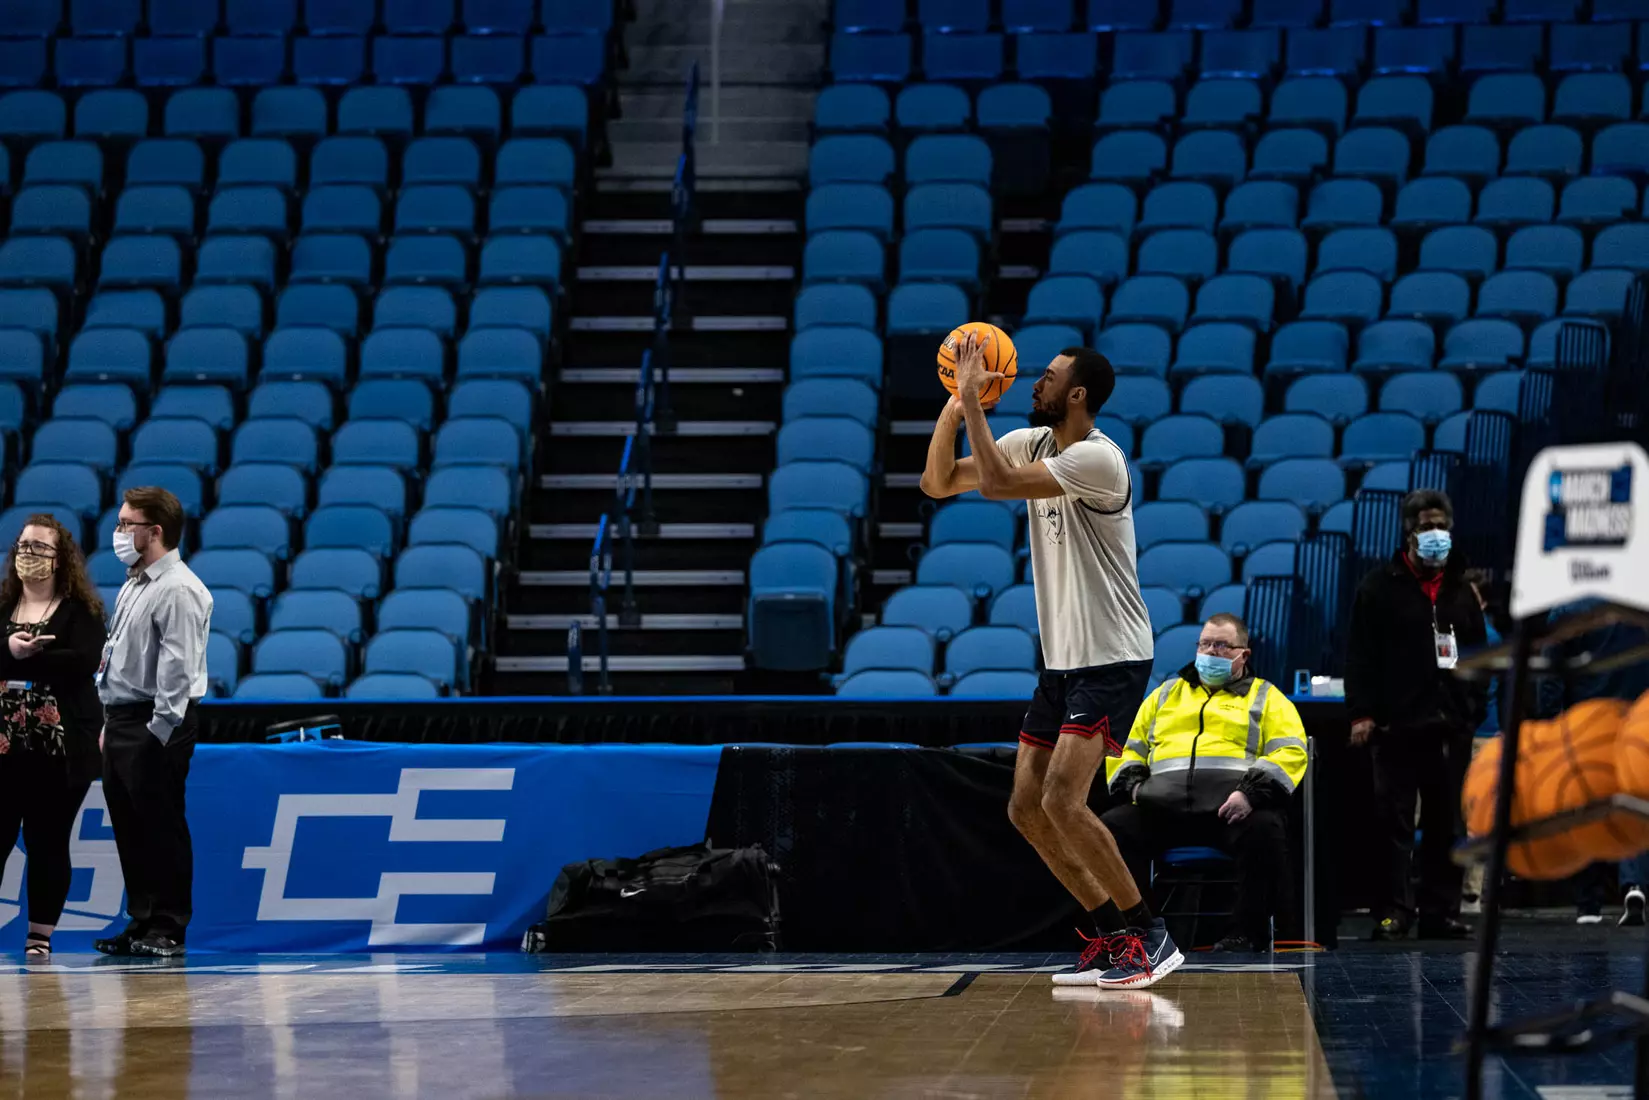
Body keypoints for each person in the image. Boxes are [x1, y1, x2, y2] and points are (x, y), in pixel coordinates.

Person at [920, 333, 1180, 990]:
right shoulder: (1032, 442)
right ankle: (1113, 933)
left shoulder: (1099, 459)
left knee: (1064, 800)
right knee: (1024, 808)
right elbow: (937, 481)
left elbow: (1000, 485)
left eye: (1049, 376)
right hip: (1063, 660)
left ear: (1077, 394)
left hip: (1112, 653)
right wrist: (957, 403)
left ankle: (1152, 934)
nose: (1034, 382)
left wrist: (975, 405)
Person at [1102, 613, 1308, 952]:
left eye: (1222, 645)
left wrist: (1249, 794)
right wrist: (1135, 786)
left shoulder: (1267, 698)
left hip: (1229, 812)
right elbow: (1127, 747)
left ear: (1244, 655)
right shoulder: (1165, 695)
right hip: (1162, 810)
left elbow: (1289, 751)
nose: (1211, 652)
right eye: (1205, 643)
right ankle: (1142, 932)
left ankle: (1246, 934)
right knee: (1110, 829)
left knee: (1266, 828)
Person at [1346, 489, 1487, 941]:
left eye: (1442, 526)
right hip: (1395, 727)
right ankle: (1393, 912)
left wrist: (1471, 709)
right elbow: (1360, 657)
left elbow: (1481, 655)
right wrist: (1363, 714)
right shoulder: (1377, 587)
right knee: (1394, 824)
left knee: (1448, 824)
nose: (1436, 535)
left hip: (1450, 728)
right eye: (1427, 526)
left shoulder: (1462, 591)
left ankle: (1439, 912)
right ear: (1408, 531)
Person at [94, 487, 213, 959]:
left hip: (157, 719)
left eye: (127, 524)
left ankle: (169, 925)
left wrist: (156, 731)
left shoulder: (179, 587)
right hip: (122, 717)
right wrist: (110, 718)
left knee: (161, 823)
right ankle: (141, 918)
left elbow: (178, 670)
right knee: (129, 825)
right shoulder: (134, 582)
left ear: (155, 531)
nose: (119, 533)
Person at [0, 516, 107, 957]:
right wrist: (13, 650)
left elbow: (82, 661)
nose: (30, 554)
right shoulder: (3, 604)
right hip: (5, 743)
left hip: (61, 745)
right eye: (24, 545)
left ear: (61, 558)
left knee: (47, 839)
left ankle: (39, 938)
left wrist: (18, 660)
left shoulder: (83, 611)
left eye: (41, 547)